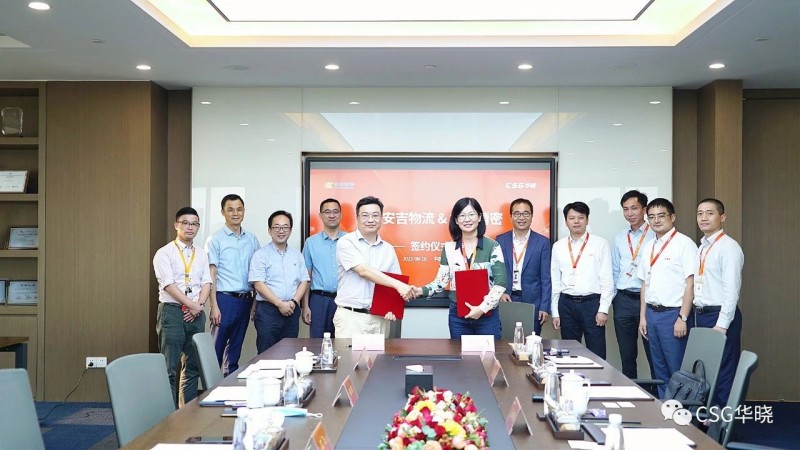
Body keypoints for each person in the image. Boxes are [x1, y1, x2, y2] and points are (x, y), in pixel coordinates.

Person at [414, 197, 507, 340]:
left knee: (488, 353)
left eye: (471, 214)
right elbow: (440, 281)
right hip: (458, 316)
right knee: (460, 353)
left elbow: (500, 284)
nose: (467, 219)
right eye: (462, 215)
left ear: (479, 217)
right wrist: (420, 291)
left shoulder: (492, 246)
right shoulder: (449, 248)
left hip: (487, 315)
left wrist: (482, 308)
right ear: (456, 220)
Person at [636, 198, 696, 398]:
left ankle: (682, 411)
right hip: (652, 314)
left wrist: (683, 317)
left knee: (677, 369)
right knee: (659, 368)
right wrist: (643, 317)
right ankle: (664, 407)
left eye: (661, 216)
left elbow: (690, 284)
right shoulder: (649, 247)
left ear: (672, 217)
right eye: (651, 217)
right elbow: (645, 284)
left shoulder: (684, 244)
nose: (656, 220)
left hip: (673, 315)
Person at [152, 207, 212, 406]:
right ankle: (168, 416)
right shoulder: (164, 253)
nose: (190, 227)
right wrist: (191, 305)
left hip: (196, 314)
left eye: (194, 224)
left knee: (193, 367)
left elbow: (207, 282)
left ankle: (188, 413)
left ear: (198, 227)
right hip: (172, 313)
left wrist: (199, 305)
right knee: (169, 368)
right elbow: (168, 285)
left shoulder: (202, 254)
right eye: (185, 223)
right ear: (176, 225)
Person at [333, 196, 414, 338]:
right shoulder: (346, 242)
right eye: (365, 215)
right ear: (357, 218)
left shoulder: (388, 249)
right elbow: (363, 271)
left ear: (382, 218)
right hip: (351, 318)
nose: (370, 220)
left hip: (380, 319)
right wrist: (399, 285)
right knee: (347, 354)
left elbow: (395, 281)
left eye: (375, 215)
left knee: (379, 354)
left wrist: (391, 308)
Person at [690, 198, 744, 406]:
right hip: (702, 314)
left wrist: (722, 324)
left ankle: (722, 419)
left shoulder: (728, 247)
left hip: (720, 315)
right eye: (700, 213)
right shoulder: (702, 247)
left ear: (722, 217)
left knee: (724, 369)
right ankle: (709, 414)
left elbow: (731, 291)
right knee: (707, 369)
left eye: (709, 213)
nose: (703, 218)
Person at [205, 194, 260, 376]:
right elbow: (211, 274)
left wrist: (255, 302)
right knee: (216, 350)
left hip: (245, 300)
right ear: (223, 212)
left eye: (239, 209)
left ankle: (229, 387)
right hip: (224, 300)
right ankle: (212, 389)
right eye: (230, 210)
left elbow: (256, 273)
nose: (235, 213)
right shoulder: (215, 239)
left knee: (235, 350)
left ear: (244, 211)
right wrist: (213, 306)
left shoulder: (252, 239)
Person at [550, 202, 613, 359]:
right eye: (572, 218)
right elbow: (555, 281)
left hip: (592, 304)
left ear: (587, 220)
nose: (576, 221)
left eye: (580, 217)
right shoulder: (558, 246)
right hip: (566, 304)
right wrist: (555, 311)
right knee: (569, 352)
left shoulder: (600, 244)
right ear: (566, 222)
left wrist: (603, 309)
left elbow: (606, 278)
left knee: (597, 352)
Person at [248, 211, 310, 353]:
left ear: (290, 230)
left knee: (290, 353)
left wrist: (294, 302)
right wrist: (279, 304)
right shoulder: (261, 255)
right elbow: (258, 285)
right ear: (269, 230)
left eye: (285, 227)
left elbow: (304, 281)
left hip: (292, 310)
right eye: (276, 227)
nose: (281, 231)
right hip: (268, 311)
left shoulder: (297, 255)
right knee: (266, 353)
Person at [611, 190, 656, 379]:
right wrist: (614, 298)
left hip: (649, 300)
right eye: (625, 209)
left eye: (634, 208)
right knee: (627, 355)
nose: (630, 213)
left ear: (644, 210)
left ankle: (656, 393)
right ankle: (630, 390)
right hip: (623, 300)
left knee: (654, 353)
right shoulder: (619, 237)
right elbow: (615, 270)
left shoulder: (655, 235)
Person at [495, 198, 551, 335]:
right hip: (507, 299)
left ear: (532, 216)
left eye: (526, 213)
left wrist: (544, 306)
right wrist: (500, 293)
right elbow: (495, 273)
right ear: (511, 217)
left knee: (530, 342)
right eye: (517, 214)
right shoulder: (500, 240)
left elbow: (546, 278)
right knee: (505, 342)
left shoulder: (543, 242)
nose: (521, 217)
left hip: (533, 303)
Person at [302, 198, 345, 338]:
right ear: (320, 215)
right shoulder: (311, 242)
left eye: (335, 212)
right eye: (327, 212)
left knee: (343, 342)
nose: (332, 215)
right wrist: (305, 306)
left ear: (341, 215)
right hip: (319, 301)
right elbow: (306, 277)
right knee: (317, 343)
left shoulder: (350, 241)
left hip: (344, 299)